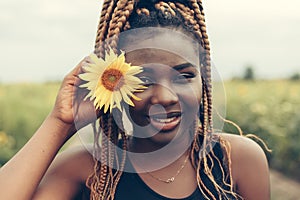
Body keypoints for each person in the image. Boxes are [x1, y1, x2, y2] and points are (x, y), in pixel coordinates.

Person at [0, 0, 270, 199]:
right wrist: (60, 122)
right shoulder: (86, 169)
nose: (164, 96)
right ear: (112, 84)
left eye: (184, 76)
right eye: (142, 80)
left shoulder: (236, 162)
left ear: (204, 81)